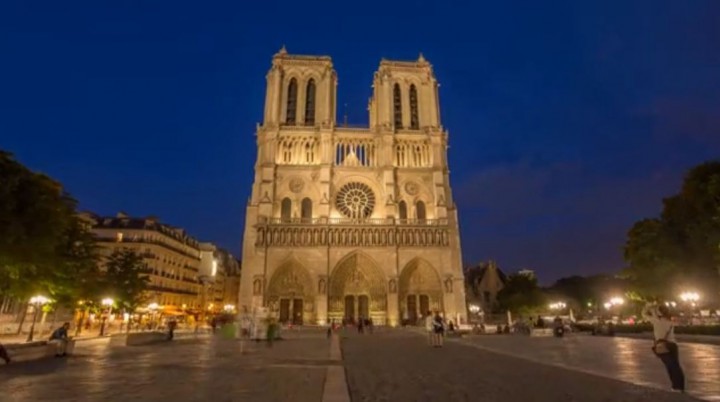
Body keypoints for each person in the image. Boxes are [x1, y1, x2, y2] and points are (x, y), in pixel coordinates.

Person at [643, 303, 685, 392]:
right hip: (673, 345)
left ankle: (675, 387)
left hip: (662, 346)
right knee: (676, 366)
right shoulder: (669, 321)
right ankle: (680, 386)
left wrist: (649, 306)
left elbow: (644, 313)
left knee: (670, 367)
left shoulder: (656, 320)